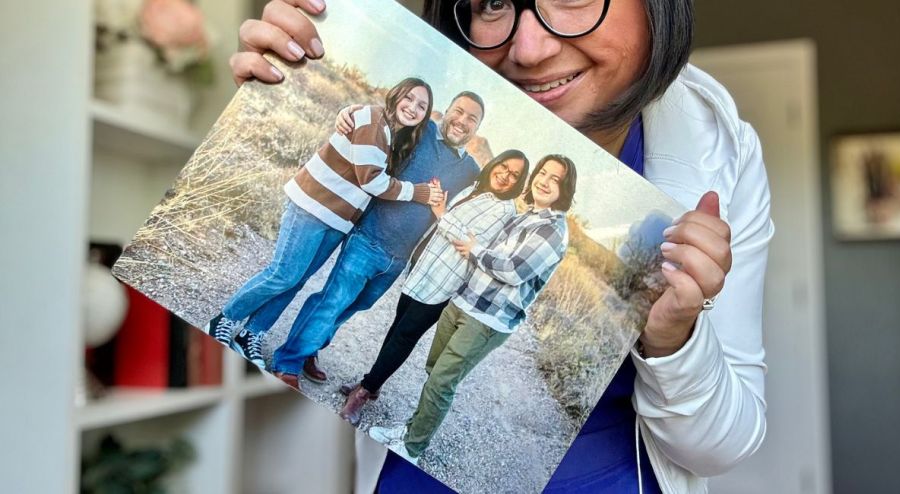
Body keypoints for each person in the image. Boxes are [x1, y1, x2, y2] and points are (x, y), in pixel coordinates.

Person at [230, 0, 774, 492]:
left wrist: (673, 339)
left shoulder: (719, 151)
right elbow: (385, 135)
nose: (529, 49)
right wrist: (297, 74)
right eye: (492, 3)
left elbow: (719, 448)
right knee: (371, 325)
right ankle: (322, 368)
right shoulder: (450, 154)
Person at [207, 77, 443, 370]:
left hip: (340, 219)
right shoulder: (372, 119)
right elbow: (371, 181)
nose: (413, 108)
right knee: (284, 274)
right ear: (395, 95)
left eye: (422, 106)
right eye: (409, 98)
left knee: (297, 280)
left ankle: (251, 334)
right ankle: (224, 319)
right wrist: (417, 192)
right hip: (312, 205)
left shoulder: (392, 133)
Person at [369, 154, 577, 465]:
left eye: (555, 179)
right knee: (434, 371)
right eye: (543, 173)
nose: (544, 181)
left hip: (487, 319)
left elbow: (513, 269)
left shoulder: (552, 230)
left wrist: (475, 249)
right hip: (463, 302)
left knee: (442, 381)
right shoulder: (526, 217)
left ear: (565, 189)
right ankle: (411, 430)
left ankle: (412, 449)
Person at [269, 92, 486, 387]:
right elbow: (380, 116)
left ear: (478, 127)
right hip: (367, 238)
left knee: (353, 306)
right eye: (458, 111)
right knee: (333, 301)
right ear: (446, 110)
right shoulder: (421, 130)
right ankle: (287, 364)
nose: (462, 121)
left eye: (471, 118)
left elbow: (500, 188)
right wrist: (349, 110)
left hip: (399, 258)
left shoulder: (472, 170)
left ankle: (311, 347)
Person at [339, 149, 531, 425]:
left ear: (518, 182)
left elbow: (471, 243)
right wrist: (441, 203)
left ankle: (363, 393)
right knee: (396, 329)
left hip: (444, 282)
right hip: (423, 270)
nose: (506, 175)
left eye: (515, 175)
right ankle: (373, 383)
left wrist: (441, 214)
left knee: (405, 336)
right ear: (495, 164)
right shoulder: (474, 189)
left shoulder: (504, 210)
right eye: (504, 167)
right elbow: (455, 224)